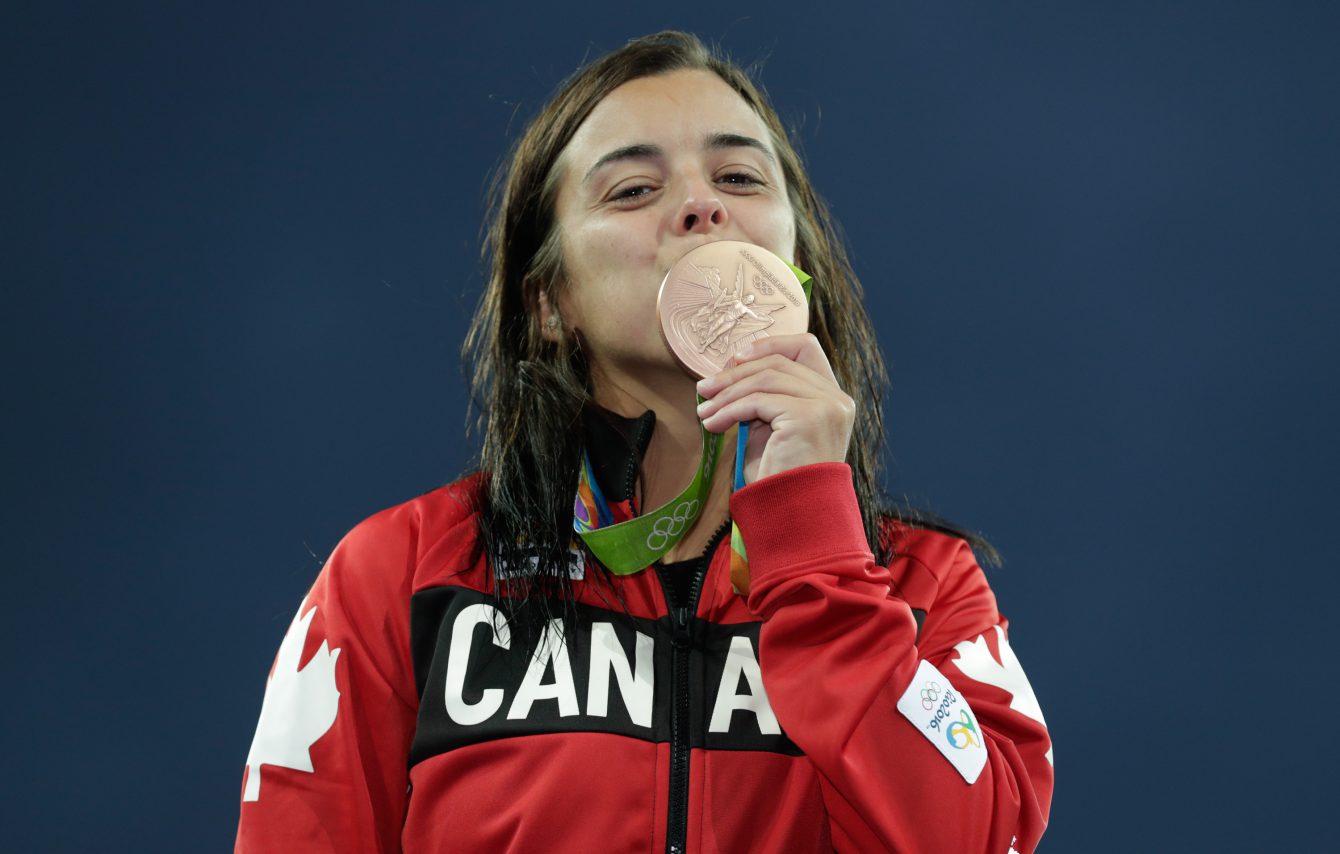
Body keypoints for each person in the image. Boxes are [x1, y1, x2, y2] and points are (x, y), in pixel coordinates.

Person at [236, 31, 1054, 853]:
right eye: (632, 190)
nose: (704, 206)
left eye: (738, 177)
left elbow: (982, 842)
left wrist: (818, 553)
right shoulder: (405, 578)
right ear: (551, 303)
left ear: (795, 266)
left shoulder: (923, 590)